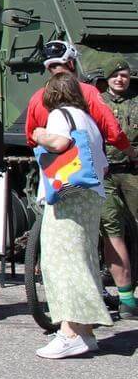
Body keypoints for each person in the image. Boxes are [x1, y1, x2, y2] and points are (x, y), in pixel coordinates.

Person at [32, 71, 113, 357]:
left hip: (68, 198)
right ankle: (86, 332)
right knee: (84, 258)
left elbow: (59, 144)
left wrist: (39, 134)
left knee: (62, 262)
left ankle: (68, 333)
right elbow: (101, 165)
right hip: (90, 197)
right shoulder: (88, 120)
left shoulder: (60, 115)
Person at [98, 57, 138, 319]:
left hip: (133, 172)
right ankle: (121, 294)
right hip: (107, 172)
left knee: (135, 226)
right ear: (107, 78)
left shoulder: (137, 102)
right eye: (115, 76)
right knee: (111, 227)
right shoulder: (98, 102)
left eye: (123, 75)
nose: (120, 79)